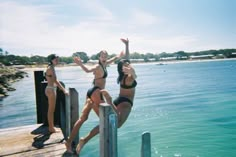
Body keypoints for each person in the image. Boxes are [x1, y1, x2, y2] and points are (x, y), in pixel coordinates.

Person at [74, 38, 137, 155]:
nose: (128, 65)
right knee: (117, 125)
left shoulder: (122, 75)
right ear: (123, 69)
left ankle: (84, 139)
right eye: (126, 65)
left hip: (120, 100)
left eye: (128, 64)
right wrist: (132, 71)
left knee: (107, 121)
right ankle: (109, 101)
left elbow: (126, 59)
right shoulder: (129, 78)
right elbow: (133, 74)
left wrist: (127, 45)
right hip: (126, 103)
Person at [65, 50, 124, 153]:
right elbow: (88, 70)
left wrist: (119, 56)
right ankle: (84, 140)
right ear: (99, 57)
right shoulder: (97, 66)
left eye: (106, 55)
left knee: (83, 118)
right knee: (105, 120)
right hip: (96, 92)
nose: (104, 57)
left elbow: (113, 59)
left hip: (92, 92)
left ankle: (69, 142)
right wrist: (80, 64)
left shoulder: (105, 64)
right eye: (102, 55)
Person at [45, 54, 69, 133]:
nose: (57, 61)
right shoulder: (51, 68)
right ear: (51, 60)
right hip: (51, 90)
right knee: (51, 110)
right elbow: (55, 80)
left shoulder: (50, 67)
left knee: (50, 109)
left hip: (49, 88)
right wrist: (64, 90)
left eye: (58, 60)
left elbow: (52, 79)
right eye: (55, 59)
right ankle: (51, 128)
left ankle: (51, 127)